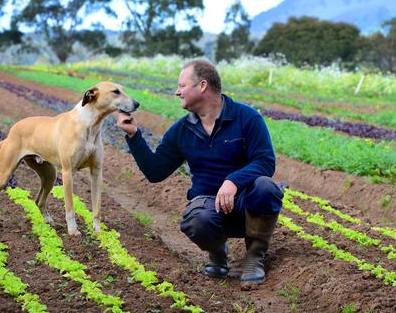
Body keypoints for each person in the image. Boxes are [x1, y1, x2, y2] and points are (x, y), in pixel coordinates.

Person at [116, 59, 284, 287]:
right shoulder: (181, 131)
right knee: (197, 219)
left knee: (266, 187)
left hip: (247, 205)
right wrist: (134, 135)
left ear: (202, 85)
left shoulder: (247, 118)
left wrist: (233, 181)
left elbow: (265, 161)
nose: (177, 92)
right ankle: (217, 252)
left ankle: (254, 257)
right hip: (210, 209)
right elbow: (156, 171)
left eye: (182, 85)